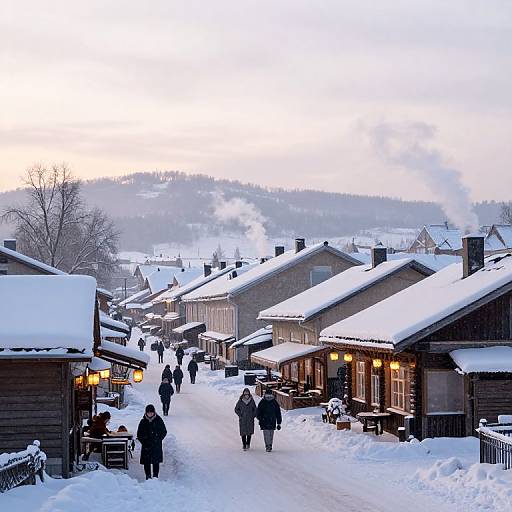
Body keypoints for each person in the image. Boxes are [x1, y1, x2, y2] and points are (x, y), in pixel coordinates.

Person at [137, 404, 167, 480]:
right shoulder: (143, 421)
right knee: (146, 462)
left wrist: (158, 439)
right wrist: (144, 441)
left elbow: (164, 431)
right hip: (146, 446)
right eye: (148, 412)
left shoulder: (159, 420)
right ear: (146, 413)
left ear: (154, 412)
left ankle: (155, 477)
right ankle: (148, 476)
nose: (150, 414)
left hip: (156, 445)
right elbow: (139, 434)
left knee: (155, 461)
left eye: (151, 412)